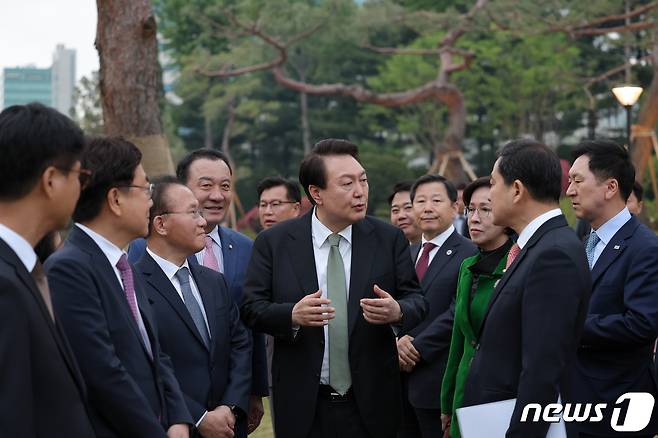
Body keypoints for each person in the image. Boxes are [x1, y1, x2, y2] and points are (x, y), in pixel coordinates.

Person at [241, 139, 427, 438]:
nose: (360, 191)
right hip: (303, 402)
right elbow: (251, 308)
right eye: (347, 183)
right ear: (316, 193)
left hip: (372, 402)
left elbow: (417, 301)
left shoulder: (388, 239)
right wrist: (292, 315)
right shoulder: (275, 243)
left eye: (363, 181)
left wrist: (398, 311)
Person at [45, 137, 192, 438]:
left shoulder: (125, 266)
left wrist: (178, 418)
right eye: (145, 188)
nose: (152, 201)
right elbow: (101, 372)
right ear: (115, 199)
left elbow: (155, 354)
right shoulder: (69, 269)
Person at [128, 149, 269, 433]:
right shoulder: (132, 284)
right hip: (171, 424)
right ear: (161, 223)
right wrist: (200, 417)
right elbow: (147, 361)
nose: (203, 220)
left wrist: (230, 406)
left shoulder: (212, 281)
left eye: (225, 186)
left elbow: (241, 342)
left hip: (228, 423)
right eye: (193, 212)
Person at [461, 139, 591, 438]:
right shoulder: (536, 246)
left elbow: (542, 368)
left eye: (493, 184)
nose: (489, 194)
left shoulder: (553, 254)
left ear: (517, 190)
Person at [0, 103, 96, 437]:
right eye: (80, 176)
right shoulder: (5, 286)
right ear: (51, 180)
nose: (81, 188)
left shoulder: (21, 270)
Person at [566, 140, 658, 438]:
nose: (569, 191)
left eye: (578, 181)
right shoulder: (584, 245)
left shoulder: (645, 248)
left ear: (610, 187)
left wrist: (569, 325)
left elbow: (642, 323)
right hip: (574, 403)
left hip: (617, 407)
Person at [397, 175, 477, 438]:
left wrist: (416, 347)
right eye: (419, 201)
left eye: (436, 200)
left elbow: (458, 312)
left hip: (439, 379)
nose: (427, 207)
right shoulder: (404, 256)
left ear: (455, 207)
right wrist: (395, 343)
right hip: (398, 379)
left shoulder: (470, 253)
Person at [439, 177, 513, 438]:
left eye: (486, 209)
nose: (474, 217)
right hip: (464, 391)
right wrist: (447, 403)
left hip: (503, 397)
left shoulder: (518, 265)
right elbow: (459, 341)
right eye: (470, 209)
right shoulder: (468, 266)